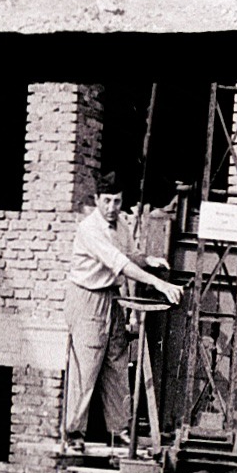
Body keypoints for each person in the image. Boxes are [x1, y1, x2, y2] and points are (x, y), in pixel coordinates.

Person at [64, 172, 183, 447]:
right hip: (86, 297)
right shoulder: (89, 228)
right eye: (106, 201)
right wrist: (158, 284)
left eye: (116, 201)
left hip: (110, 298)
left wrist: (150, 260)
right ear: (97, 200)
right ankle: (73, 434)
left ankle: (119, 429)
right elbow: (121, 264)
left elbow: (130, 254)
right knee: (87, 364)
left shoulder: (121, 224)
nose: (111, 207)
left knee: (117, 363)